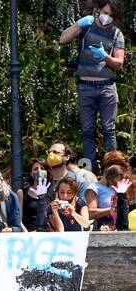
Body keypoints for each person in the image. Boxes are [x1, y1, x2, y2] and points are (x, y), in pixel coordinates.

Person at [61, 4, 126, 170]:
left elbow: (119, 63)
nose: (106, 16)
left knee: (109, 130)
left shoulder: (116, 33)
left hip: (107, 88)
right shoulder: (87, 26)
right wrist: (78, 24)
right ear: (99, 10)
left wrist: (105, 57)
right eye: (104, 12)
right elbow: (63, 39)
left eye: (110, 15)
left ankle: (112, 168)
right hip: (86, 87)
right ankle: (90, 169)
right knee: (87, 130)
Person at [84, 163, 132, 230]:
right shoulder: (94, 188)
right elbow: (89, 214)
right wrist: (112, 210)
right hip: (103, 228)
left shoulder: (120, 187)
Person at [19, 158, 52, 232]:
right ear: (31, 173)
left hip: (48, 234)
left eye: (42, 168)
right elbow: (19, 219)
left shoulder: (52, 191)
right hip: (29, 234)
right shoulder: (22, 193)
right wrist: (27, 234)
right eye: (36, 169)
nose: (39, 171)